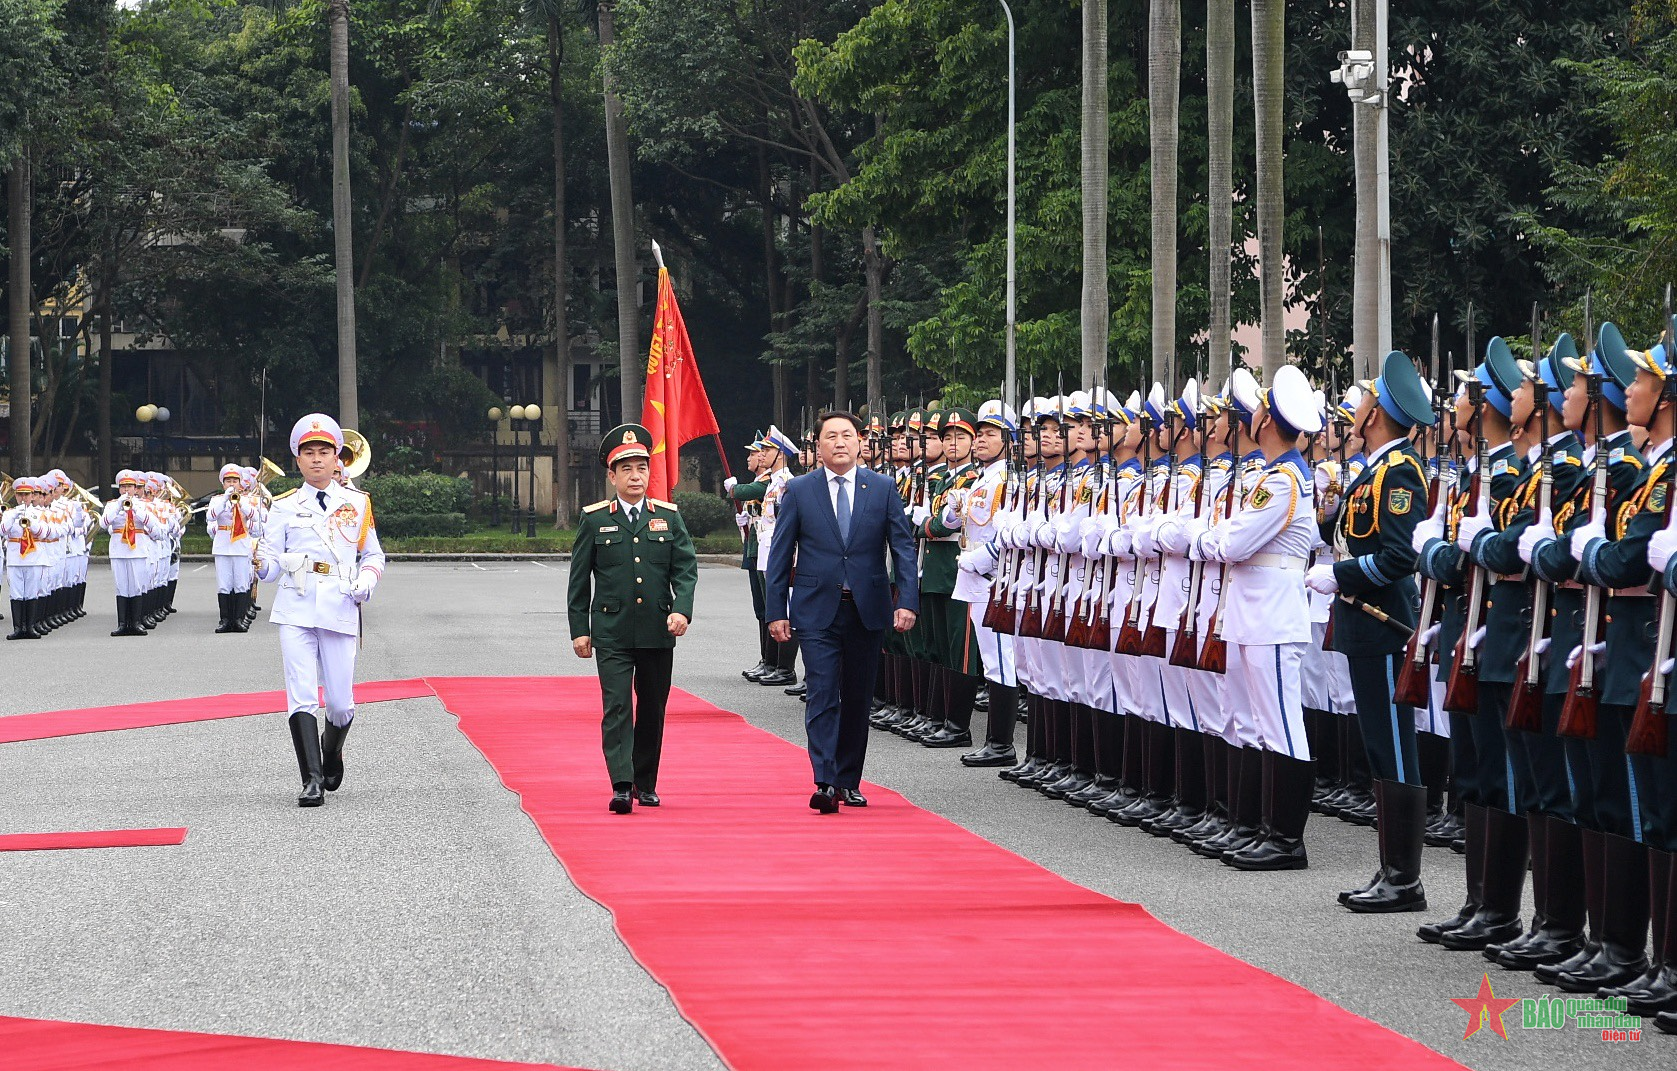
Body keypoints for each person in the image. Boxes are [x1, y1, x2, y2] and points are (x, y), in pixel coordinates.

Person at [1308, 349, 1434, 913]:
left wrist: (1337, 575)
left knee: (1394, 750)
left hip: (1384, 627)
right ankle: (1391, 869)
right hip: (1362, 624)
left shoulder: (1400, 471)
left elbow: (1399, 556)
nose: (1354, 408)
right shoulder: (1374, 468)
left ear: (1376, 412)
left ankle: (1404, 878)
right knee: (1380, 746)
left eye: (1363, 400)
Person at [765, 410, 920, 812]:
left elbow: (902, 548)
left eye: (847, 435)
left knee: (856, 696)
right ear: (818, 446)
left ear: (859, 443)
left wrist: (907, 601)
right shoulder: (800, 490)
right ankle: (825, 779)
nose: (839, 442)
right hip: (816, 610)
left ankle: (850, 779)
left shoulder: (883, 488)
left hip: (867, 608)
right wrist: (775, 611)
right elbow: (780, 555)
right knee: (821, 692)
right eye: (830, 436)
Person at [253, 414, 386, 807]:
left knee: (341, 704)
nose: (316, 459)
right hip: (295, 604)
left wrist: (367, 580)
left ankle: (333, 751)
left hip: (340, 603)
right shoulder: (283, 507)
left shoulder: (357, 504)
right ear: (297, 459)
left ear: (336, 457)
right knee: (302, 694)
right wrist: (260, 563)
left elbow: (373, 555)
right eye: (308, 452)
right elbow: (273, 564)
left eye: (323, 452)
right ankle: (311, 779)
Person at [568, 423, 698, 814]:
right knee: (617, 706)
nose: (635, 476)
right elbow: (579, 579)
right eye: (626, 469)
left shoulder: (668, 517)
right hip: (611, 630)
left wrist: (682, 608)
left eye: (641, 468)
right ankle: (622, 783)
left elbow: (686, 569)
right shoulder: (594, 520)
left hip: (657, 630)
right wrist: (580, 630)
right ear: (612, 476)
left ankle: (646, 781)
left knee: (653, 706)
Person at [208, 463, 263, 633]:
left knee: (240, 584)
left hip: (240, 546)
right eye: (228, 481)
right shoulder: (217, 500)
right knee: (224, 585)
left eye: (235, 481)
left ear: (240, 483)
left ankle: (239, 619)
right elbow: (210, 516)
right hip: (223, 546)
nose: (231, 484)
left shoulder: (246, 500)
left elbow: (255, 516)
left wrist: (240, 503)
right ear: (223, 484)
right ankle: (225, 619)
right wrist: (225, 500)